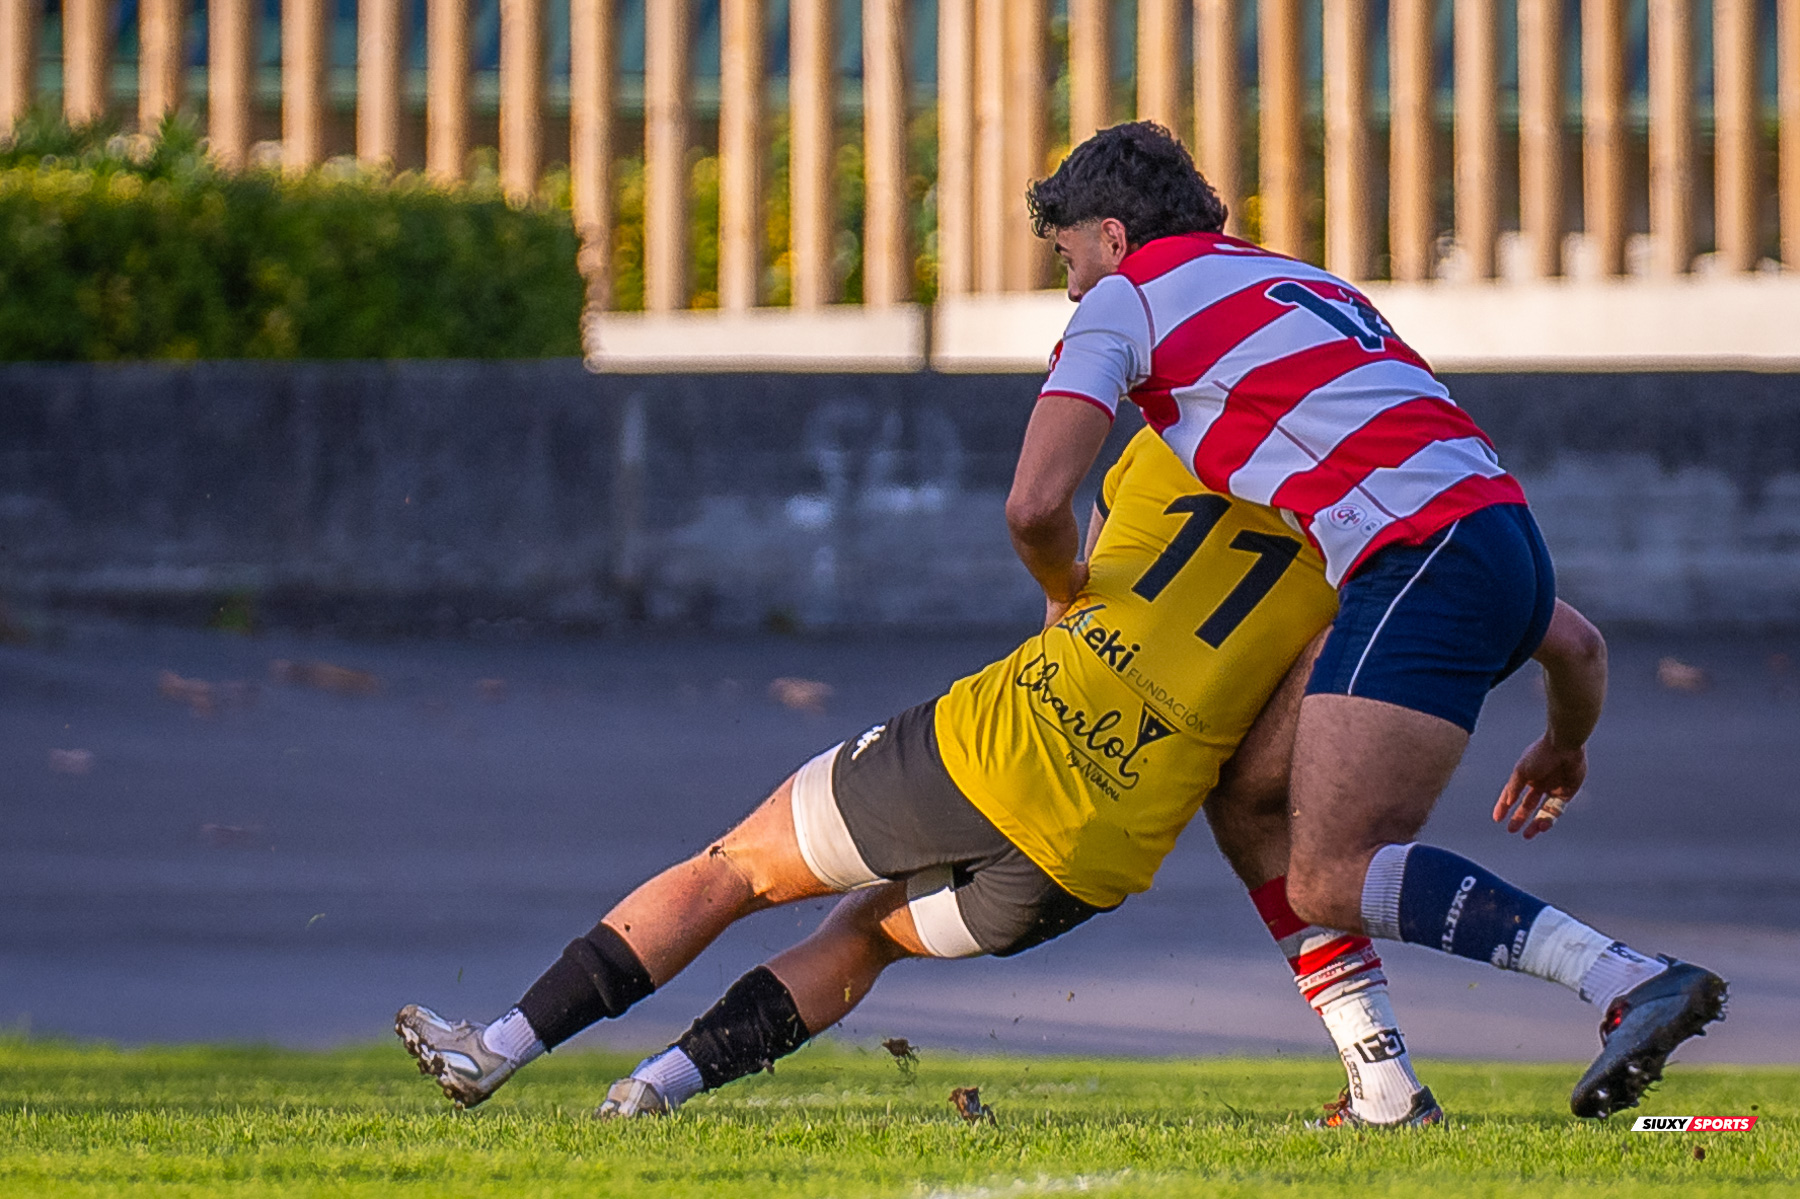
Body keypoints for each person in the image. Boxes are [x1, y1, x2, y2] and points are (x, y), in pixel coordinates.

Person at [398, 427, 1471, 1126]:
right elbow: (1271, 759)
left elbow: (1058, 563)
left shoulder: (1167, 449)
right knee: (863, 937)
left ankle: (496, 1046)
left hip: (989, 748)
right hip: (1096, 851)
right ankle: (656, 1091)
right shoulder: (1350, 560)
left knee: (735, 868)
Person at [1006, 120, 1725, 1119]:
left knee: (1331, 873)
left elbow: (1034, 503)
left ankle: (1622, 977)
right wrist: (1565, 742)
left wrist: (1063, 586)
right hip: (1501, 539)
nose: (1071, 287)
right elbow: (1578, 642)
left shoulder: (1128, 297)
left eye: (1068, 254)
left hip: (1420, 558)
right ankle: (1383, 1084)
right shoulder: (1304, 289)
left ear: (1114, 237)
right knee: (1251, 786)